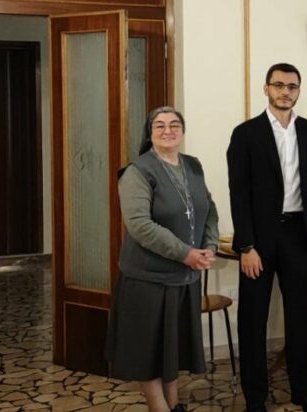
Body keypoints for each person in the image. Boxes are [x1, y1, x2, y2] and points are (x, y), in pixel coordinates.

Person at [227, 63, 307, 412]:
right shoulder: (246, 134)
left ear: (299, 90)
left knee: (299, 315)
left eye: (292, 86)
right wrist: (246, 246)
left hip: (298, 234)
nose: (286, 91)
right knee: (253, 318)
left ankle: (302, 390)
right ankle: (255, 396)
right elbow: (238, 194)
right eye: (279, 85)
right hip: (259, 239)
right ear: (266, 88)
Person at [106, 107, 218, 412]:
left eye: (174, 124)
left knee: (171, 348)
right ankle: (160, 408)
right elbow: (140, 225)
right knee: (148, 351)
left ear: (182, 130)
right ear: (150, 132)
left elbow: (209, 208)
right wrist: (186, 253)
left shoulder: (193, 166)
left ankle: (175, 404)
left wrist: (209, 245)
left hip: (184, 278)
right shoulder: (137, 171)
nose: (167, 130)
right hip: (148, 278)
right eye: (160, 125)